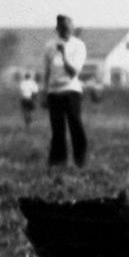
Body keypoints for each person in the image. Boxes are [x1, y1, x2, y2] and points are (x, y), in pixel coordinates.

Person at [42, 15, 87, 167]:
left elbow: (73, 72)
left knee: (75, 125)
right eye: (62, 29)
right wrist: (44, 92)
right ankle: (57, 163)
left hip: (71, 90)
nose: (66, 31)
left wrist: (64, 54)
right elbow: (46, 71)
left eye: (68, 28)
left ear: (72, 28)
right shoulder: (49, 46)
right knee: (57, 129)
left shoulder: (78, 45)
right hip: (53, 92)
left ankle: (80, 161)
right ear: (58, 29)